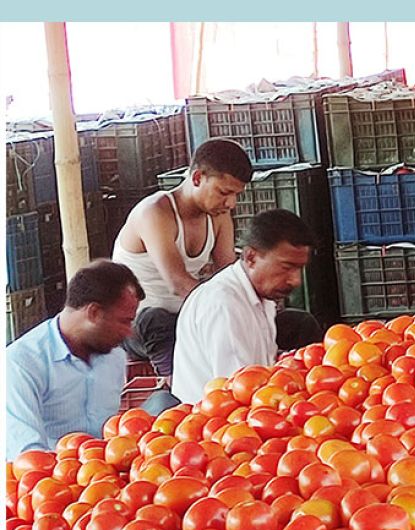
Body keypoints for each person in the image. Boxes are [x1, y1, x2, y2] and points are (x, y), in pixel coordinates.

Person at [111, 139, 249, 379]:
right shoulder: (154, 212)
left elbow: (228, 273)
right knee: (157, 320)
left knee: (294, 322)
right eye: (224, 193)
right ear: (197, 178)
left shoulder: (218, 216)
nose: (231, 203)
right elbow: (178, 282)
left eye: (236, 195)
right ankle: (179, 392)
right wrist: (229, 310)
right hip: (136, 327)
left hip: (187, 318)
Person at [168, 210, 316, 407]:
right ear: (251, 258)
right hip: (217, 424)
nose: (296, 280)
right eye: (286, 267)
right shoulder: (223, 303)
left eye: (300, 269)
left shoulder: (262, 297)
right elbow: (240, 391)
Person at [6, 261, 142, 459]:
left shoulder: (115, 357)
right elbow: (27, 456)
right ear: (94, 313)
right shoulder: (21, 363)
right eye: (124, 321)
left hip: (105, 477)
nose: (129, 332)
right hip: (51, 481)